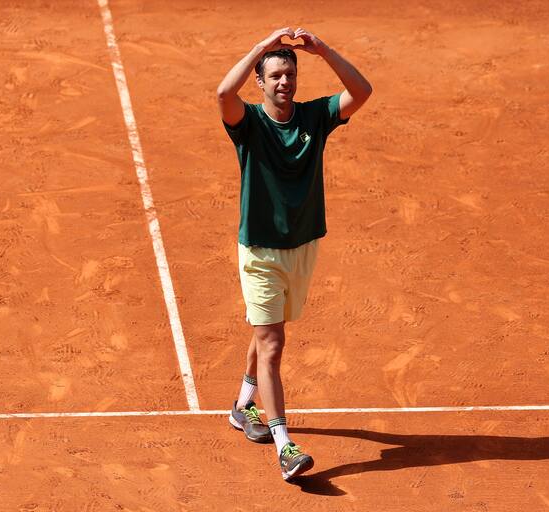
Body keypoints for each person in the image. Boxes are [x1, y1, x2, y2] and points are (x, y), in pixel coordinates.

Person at [216, 27, 372, 481]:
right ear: (261, 83)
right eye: (275, 75)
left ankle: (244, 405)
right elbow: (224, 91)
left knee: (270, 329)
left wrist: (324, 50)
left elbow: (361, 91)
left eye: (289, 74)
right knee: (273, 343)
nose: (284, 81)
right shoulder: (247, 125)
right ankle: (284, 446)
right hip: (261, 252)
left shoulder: (315, 117)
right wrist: (259, 49)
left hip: (304, 246)